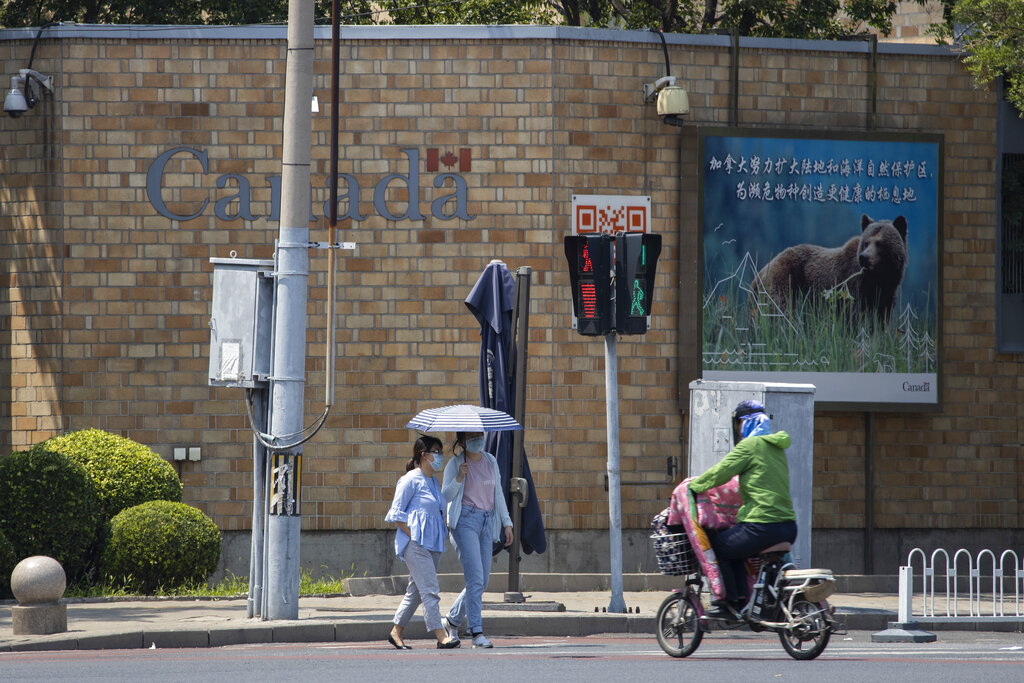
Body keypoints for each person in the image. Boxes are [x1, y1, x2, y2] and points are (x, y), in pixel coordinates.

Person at [688, 400, 797, 620]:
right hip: (787, 527)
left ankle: (726, 602)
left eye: (738, 423)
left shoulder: (750, 446)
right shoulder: (776, 447)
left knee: (719, 545)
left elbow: (723, 471)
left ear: (744, 423)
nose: (737, 429)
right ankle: (743, 601)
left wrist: (694, 486)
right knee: (735, 547)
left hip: (763, 525)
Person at [385, 435, 461, 649]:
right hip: (416, 544)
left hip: (434, 545)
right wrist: (414, 537)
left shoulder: (434, 482)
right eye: (435, 452)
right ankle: (441, 635)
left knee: (416, 592)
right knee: (430, 590)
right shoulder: (410, 480)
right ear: (423, 455)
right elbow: (397, 515)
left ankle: (396, 631)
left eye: (440, 452)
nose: (439, 457)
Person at [440, 431, 514, 649]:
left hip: (486, 522)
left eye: (479, 436)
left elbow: (498, 493)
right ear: (462, 441)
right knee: (475, 580)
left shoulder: (490, 460)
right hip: (464, 522)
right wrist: (459, 478)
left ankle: (452, 619)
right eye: (471, 437)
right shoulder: (456, 463)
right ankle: (476, 632)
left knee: (482, 581)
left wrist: (507, 522)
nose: (477, 440)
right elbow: (445, 495)